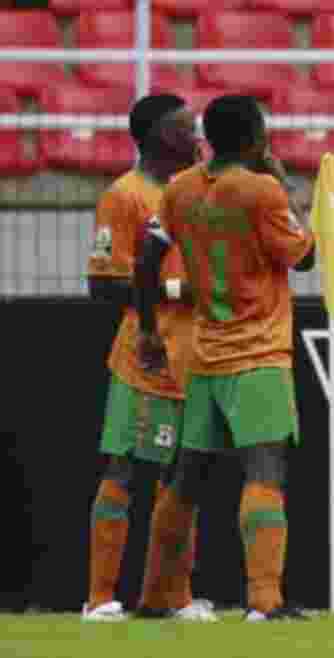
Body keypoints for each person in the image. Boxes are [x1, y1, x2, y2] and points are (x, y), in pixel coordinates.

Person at [135, 95, 316, 622]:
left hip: (204, 351)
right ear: (254, 138)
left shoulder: (181, 188)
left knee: (185, 479)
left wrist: (148, 328)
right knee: (264, 471)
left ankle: (155, 596)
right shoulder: (261, 190)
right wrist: (288, 190)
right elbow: (305, 257)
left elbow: (146, 261)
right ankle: (265, 600)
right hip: (257, 352)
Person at [82, 94, 215, 623]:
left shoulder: (200, 190)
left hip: (199, 356)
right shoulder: (126, 196)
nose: (195, 134)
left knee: (184, 478)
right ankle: (99, 598)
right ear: (156, 135)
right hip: (147, 355)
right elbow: (102, 284)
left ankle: (171, 596)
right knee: (125, 469)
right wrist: (181, 290)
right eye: (184, 127)